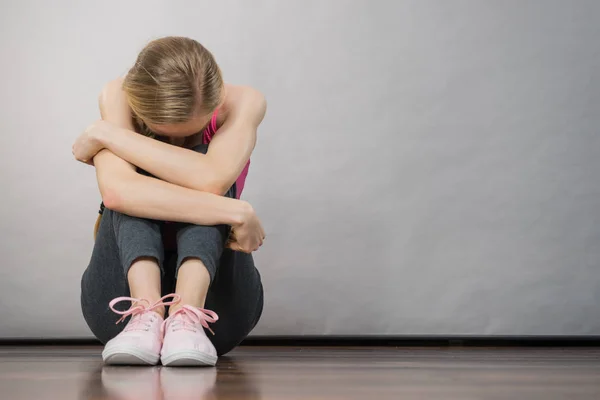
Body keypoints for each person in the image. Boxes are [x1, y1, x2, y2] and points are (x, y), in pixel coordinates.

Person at [72, 36, 267, 367]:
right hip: (119, 305)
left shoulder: (243, 101)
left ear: (216, 98)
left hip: (215, 312)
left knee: (202, 164)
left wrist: (107, 134)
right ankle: (145, 311)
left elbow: (211, 179)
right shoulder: (118, 95)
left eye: (194, 128)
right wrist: (237, 211)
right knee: (136, 186)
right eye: (161, 131)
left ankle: (186, 316)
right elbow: (119, 192)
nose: (177, 141)